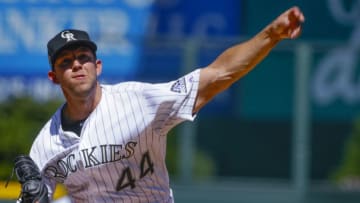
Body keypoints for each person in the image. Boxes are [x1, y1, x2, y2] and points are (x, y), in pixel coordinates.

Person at [28, 6, 305, 202]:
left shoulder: (138, 102)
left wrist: (270, 35)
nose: (77, 64)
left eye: (83, 57)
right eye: (66, 62)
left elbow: (218, 74)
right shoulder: (46, 145)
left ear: (98, 66)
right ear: (54, 77)